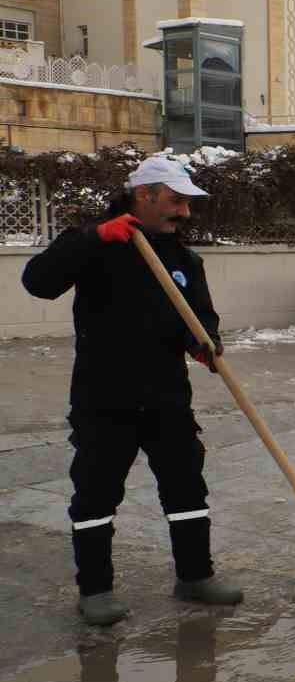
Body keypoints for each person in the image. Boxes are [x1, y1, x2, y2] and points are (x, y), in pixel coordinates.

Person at [21, 156, 243, 626]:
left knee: (186, 487)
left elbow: (200, 315)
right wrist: (92, 238)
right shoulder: (96, 242)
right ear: (144, 195)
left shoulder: (184, 258)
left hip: (167, 397)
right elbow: (37, 282)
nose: (184, 212)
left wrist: (206, 342)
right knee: (96, 494)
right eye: (176, 200)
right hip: (104, 399)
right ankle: (95, 590)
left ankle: (195, 576)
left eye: (186, 203)